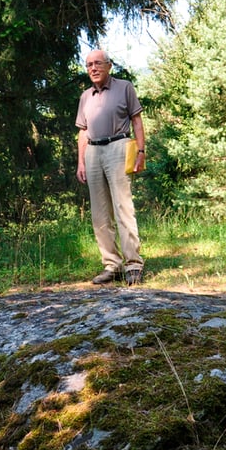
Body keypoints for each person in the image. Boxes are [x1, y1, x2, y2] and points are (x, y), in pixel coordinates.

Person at [75, 49, 146, 285]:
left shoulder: (124, 87)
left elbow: (136, 120)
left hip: (119, 146)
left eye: (97, 64)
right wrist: (80, 162)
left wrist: (141, 152)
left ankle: (133, 264)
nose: (93, 69)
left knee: (122, 206)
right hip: (93, 152)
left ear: (108, 66)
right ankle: (111, 265)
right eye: (88, 65)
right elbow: (83, 131)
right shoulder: (85, 96)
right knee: (99, 212)